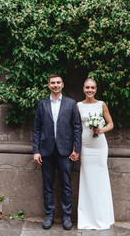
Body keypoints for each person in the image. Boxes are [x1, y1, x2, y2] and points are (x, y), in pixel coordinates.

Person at [33, 73, 82, 230]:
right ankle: (49, 215)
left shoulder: (70, 103)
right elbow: (36, 129)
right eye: (52, 83)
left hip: (65, 151)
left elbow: (76, 127)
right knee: (47, 185)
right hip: (46, 151)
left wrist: (77, 149)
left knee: (66, 184)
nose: (55, 85)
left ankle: (66, 216)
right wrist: (36, 150)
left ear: (62, 85)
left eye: (58, 83)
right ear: (49, 85)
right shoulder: (42, 104)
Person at [77, 78, 115, 230]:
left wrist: (101, 130)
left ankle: (102, 218)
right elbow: (76, 127)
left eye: (92, 87)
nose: (90, 90)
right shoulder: (78, 106)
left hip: (99, 146)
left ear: (96, 89)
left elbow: (110, 124)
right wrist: (76, 147)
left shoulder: (102, 104)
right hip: (85, 146)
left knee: (100, 179)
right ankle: (86, 218)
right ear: (83, 89)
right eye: (87, 87)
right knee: (86, 180)